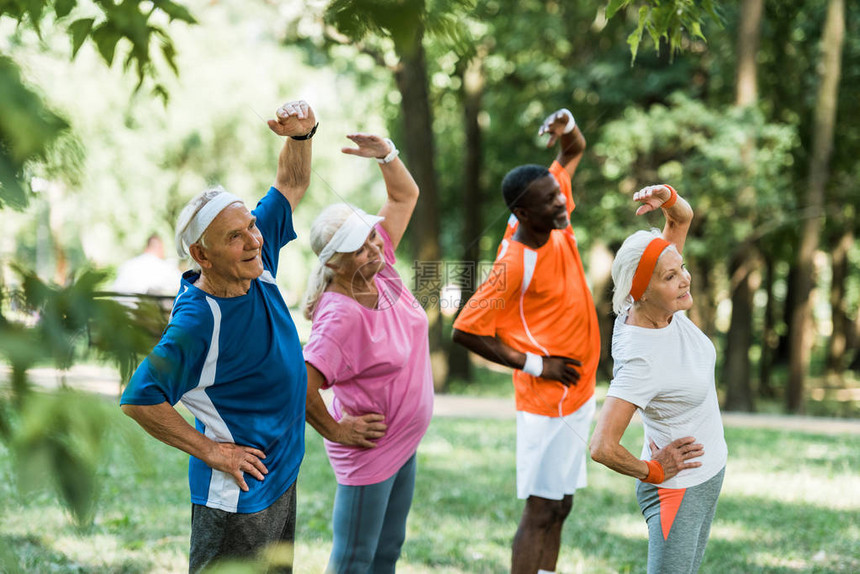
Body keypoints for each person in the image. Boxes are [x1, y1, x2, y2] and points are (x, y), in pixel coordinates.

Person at [119, 99, 317, 573]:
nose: (253, 239)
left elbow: (290, 183)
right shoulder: (197, 323)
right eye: (236, 236)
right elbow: (139, 398)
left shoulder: (257, 258)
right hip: (238, 496)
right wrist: (210, 450)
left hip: (280, 475)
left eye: (251, 225)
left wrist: (301, 136)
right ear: (201, 256)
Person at [451, 107, 601, 574]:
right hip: (546, 402)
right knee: (540, 511)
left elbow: (573, 150)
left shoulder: (554, 220)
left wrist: (567, 128)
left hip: (577, 394)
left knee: (560, 508)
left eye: (559, 195)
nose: (562, 204)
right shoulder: (513, 263)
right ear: (521, 212)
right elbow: (465, 330)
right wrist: (538, 365)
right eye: (551, 202)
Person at [301, 133, 433, 573]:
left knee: (387, 552)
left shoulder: (381, 265)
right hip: (370, 451)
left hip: (403, 441)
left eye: (373, 237)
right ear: (334, 263)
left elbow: (404, 194)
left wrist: (388, 155)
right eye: (361, 246)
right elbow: (302, 384)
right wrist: (336, 431)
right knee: (355, 560)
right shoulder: (340, 317)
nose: (375, 246)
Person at [589, 184, 727, 573]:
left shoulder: (662, 307)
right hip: (677, 492)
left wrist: (666, 195)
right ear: (641, 293)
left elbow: (681, 217)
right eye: (671, 276)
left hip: (706, 477)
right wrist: (654, 471)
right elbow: (601, 445)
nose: (684, 278)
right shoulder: (641, 359)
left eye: (681, 267)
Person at [111, 233, 182, 307]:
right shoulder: (163, 267)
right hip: (145, 314)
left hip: (121, 312)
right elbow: (182, 284)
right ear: (160, 248)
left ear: (146, 247)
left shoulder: (127, 265)